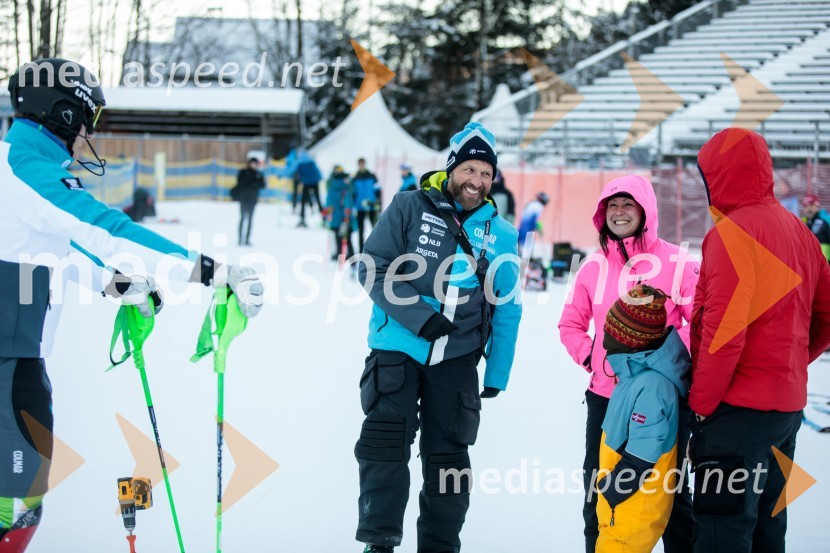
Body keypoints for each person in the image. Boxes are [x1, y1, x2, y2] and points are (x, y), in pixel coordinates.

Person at [0, 58, 265, 551]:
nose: (87, 133)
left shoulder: (14, 167)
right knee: (15, 507)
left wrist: (113, 282)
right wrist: (211, 271)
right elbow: (104, 229)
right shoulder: (23, 168)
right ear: (61, 113)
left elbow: (49, 246)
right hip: (8, 364)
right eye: (86, 118)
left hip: (16, 360)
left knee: (18, 501)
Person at [354, 122, 522, 553]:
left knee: (449, 462)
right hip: (397, 348)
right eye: (469, 170)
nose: (477, 181)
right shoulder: (409, 206)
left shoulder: (501, 233)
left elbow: (507, 305)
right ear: (451, 169)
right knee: (384, 444)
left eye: (486, 174)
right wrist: (420, 318)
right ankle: (380, 542)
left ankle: (440, 546)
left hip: (458, 358)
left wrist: (498, 370)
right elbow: (372, 265)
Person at [688, 128, 830, 552]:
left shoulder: (733, 233)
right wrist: (788, 366)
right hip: (784, 412)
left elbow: (724, 334)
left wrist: (701, 404)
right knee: (769, 530)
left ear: (719, 176)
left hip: (736, 414)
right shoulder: (799, 231)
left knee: (721, 532)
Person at [558, 174, 699, 553]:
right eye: (612, 206)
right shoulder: (593, 267)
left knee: (670, 493)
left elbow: (700, 322)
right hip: (606, 397)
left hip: (660, 401)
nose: (619, 213)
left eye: (628, 204)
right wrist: (592, 357)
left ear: (645, 211)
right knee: (599, 489)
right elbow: (570, 324)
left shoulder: (677, 262)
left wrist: (659, 363)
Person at [595, 285, 691, 553]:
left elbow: (642, 455)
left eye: (610, 330)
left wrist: (612, 490)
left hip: (632, 508)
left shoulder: (652, 386)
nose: (604, 337)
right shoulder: (635, 375)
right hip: (622, 507)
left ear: (629, 339)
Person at [324, 164, 355, 260]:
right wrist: (347, 216)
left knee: (338, 237)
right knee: (347, 238)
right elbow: (348, 203)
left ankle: (339, 254)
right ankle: (351, 254)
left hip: (335, 217)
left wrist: (326, 215)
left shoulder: (331, 188)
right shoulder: (345, 189)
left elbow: (328, 204)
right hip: (345, 218)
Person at [233, 157, 266, 245]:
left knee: (250, 219)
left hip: (253, 199)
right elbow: (240, 183)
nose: (254, 165)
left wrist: (255, 181)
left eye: (255, 163)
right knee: (243, 218)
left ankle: (247, 239)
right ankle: (240, 239)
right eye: (252, 163)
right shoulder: (243, 172)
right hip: (244, 198)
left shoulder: (259, 174)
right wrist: (253, 181)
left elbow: (262, 185)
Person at [353, 157, 381, 252]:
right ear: (358, 165)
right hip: (360, 207)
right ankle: (361, 250)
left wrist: (379, 203)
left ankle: (376, 248)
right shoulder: (355, 178)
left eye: (363, 163)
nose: (361, 165)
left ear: (365, 164)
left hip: (372, 206)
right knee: (361, 231)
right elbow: (353, 193)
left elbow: (378, 190)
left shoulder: (372, 176)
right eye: (360, 163)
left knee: (375, 229)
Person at [801, 193, 830, 263]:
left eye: (811, 205)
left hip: (826, 265)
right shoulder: (802, 223)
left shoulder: (826, 219)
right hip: (809, 265)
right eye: (805, 206)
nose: (808, 208)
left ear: (817, 205)